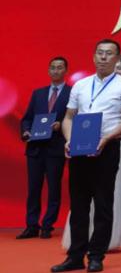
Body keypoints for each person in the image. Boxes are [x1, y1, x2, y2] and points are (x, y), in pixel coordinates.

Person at [52, 40, 121, 273]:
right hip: (80, 148)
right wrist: (69, 139)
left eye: (109, 54)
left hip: (107, 148)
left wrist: (108, 137)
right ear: (93, 56)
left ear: (117, 58)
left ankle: (96, 256)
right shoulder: (81, 85)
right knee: (79, 204)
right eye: (100, 53)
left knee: (102, 204)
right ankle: (75, 256)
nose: (103, 57)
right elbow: (69, 117)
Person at [19, 56, 71, 240]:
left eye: (59, 67)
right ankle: (31, 225)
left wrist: (61, 125)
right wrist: (26, 131)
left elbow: (75, 118)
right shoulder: (38, 94)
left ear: (66, 71)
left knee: (54, 189)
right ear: (48, 70)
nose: (56, 70)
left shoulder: (72, 93)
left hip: (55, 148)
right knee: (33, 189)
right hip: (35, 148)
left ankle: (48, 225)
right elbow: (27, 118)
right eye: (52, 67)